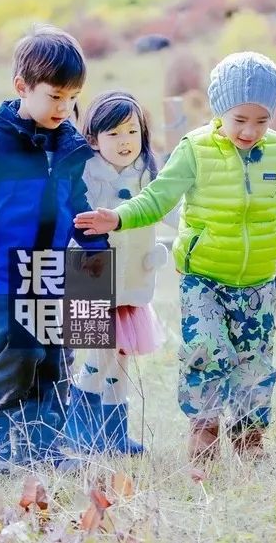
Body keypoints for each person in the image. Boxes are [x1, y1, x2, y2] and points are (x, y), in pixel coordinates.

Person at [74, 52, 276, 463]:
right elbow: (157, 199)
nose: (251, 130)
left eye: (262, 121)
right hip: (204, 276)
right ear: (220, 110)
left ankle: (249, 438)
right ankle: (204, 429)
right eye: (240, 119)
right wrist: (117, 218)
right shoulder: (195, 149)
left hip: (260, 280)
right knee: (206, 348)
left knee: (255, 362)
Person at [0, 24, 107, 471]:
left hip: (46, 271)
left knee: (55, 354)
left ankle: (44, 446)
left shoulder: (68, 146)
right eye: (54, 96)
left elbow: (77, 202)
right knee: (21, 348)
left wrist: (94, 244)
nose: (64, 108)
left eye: (72, 98)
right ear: (21, 87)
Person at [64, 91, 179, 456]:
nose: (125, 141)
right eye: (113, 134)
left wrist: (197, 231)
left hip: (131, 282)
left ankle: (114, 435)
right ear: (94, 139)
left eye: (131, 132)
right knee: (98, 355)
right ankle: (79, 431)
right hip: (91, 277)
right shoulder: (83, 172)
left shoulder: (148, 174)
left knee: (121, 358)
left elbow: (172, 212)